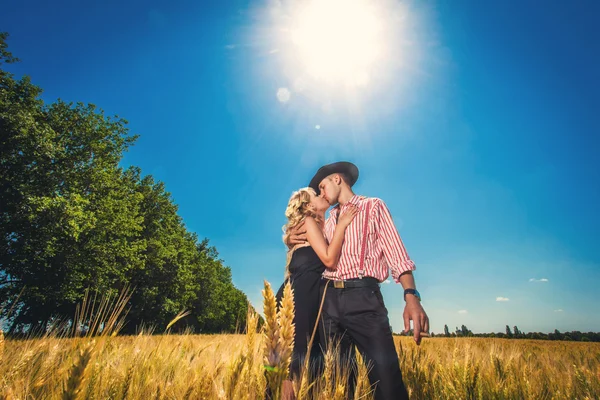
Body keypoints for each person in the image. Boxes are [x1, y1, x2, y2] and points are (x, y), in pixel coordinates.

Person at [288, 161, 429, 400]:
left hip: (364, 299)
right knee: (339, 383)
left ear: (337, 179)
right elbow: (312, 248)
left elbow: (397, 255)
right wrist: (290, 238)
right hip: (328, 303)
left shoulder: (373, 206)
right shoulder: (329, 219)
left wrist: (411, 296)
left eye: (322, 186)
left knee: (387, 382)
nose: (321, 193)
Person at [275, 186, 359, 397]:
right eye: (316, 194)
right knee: (293, 353)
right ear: (308, 205)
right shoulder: (309, 223)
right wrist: (342, 225)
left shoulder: (323, 226)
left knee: (312, 354)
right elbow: (329, 259)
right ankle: (278, 389)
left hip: (313, 295)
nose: (322, 195)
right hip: (299, 296)